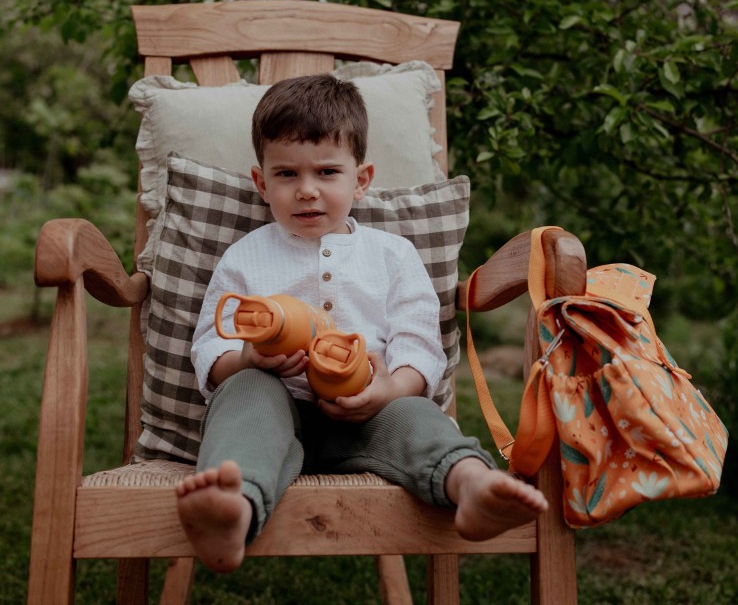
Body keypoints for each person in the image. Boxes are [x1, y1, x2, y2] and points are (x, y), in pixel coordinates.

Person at [176, 74, 548, 572]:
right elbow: (209, 345)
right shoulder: (245, 257)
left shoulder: (392, 255)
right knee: (246, 391)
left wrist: (389, 389)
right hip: (274, 416)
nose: (307, 191)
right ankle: (233, 509)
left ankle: (471, 484)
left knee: (416, 416)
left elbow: (420, 346)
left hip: (370, 418)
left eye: (327, 172)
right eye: (286, 174)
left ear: (362, 179)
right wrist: (246, 360)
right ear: (262, 184)